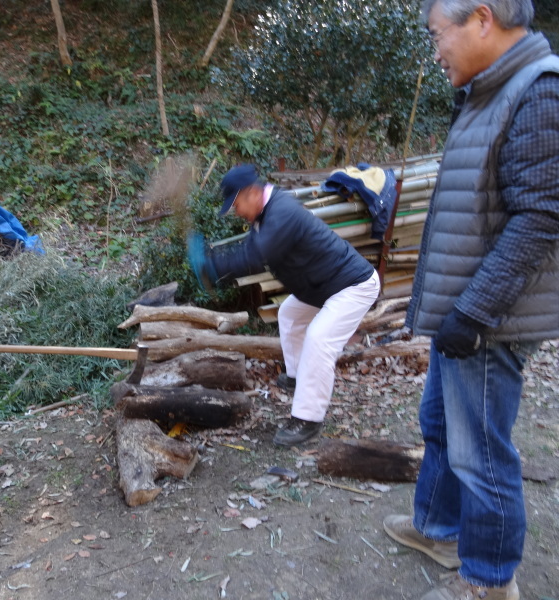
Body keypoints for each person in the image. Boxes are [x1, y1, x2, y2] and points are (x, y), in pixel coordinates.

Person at [382, 1, 559, 599]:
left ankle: (489, 582)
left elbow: (540, 219)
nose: (436, 50)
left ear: (481, 18)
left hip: (489, 321)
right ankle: (437, 527)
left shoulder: (538, 92)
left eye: (438, 35)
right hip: (465, 313)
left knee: (481, 453)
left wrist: (473, 313)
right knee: (439, 423)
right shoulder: (489, 92)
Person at [188, 163, 380, 446]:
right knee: (289, 313)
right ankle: (298, 376)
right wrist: (212, 261)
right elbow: (249, 249)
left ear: (252, 193)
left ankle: (307, 419)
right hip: (323, 287)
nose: (237, 211)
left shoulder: (281, 213)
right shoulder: (265, 214)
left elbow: (255, 256)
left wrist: (212, 267)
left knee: (319, 339)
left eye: (237, 204)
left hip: (353, 286)